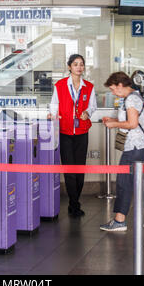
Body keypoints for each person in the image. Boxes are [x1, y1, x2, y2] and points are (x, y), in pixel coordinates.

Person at [100, 72, 144, 231]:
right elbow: (131, 120)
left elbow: (132, 123)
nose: (113, 92)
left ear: (121, 85)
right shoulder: (133, 97)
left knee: (123, 182)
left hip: (134, 147)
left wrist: (114, 125)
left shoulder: (131, 99)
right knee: (138, 180)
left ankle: (119, 220)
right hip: (137, 146)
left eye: (113, 89)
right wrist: (113, 120)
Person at [48, 54, 97, 217]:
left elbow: (92, 106)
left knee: (80, 169)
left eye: (81, 64)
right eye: (75, 64)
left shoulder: (89, 86)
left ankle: (75, 201)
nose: (79, 67)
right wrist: (52, 115)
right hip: (65, 132)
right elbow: (54, 105)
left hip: (82, 132)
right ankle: (74, 204)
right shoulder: (60, 85)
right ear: (69, 67)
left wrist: (87, 112)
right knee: (69, 170)